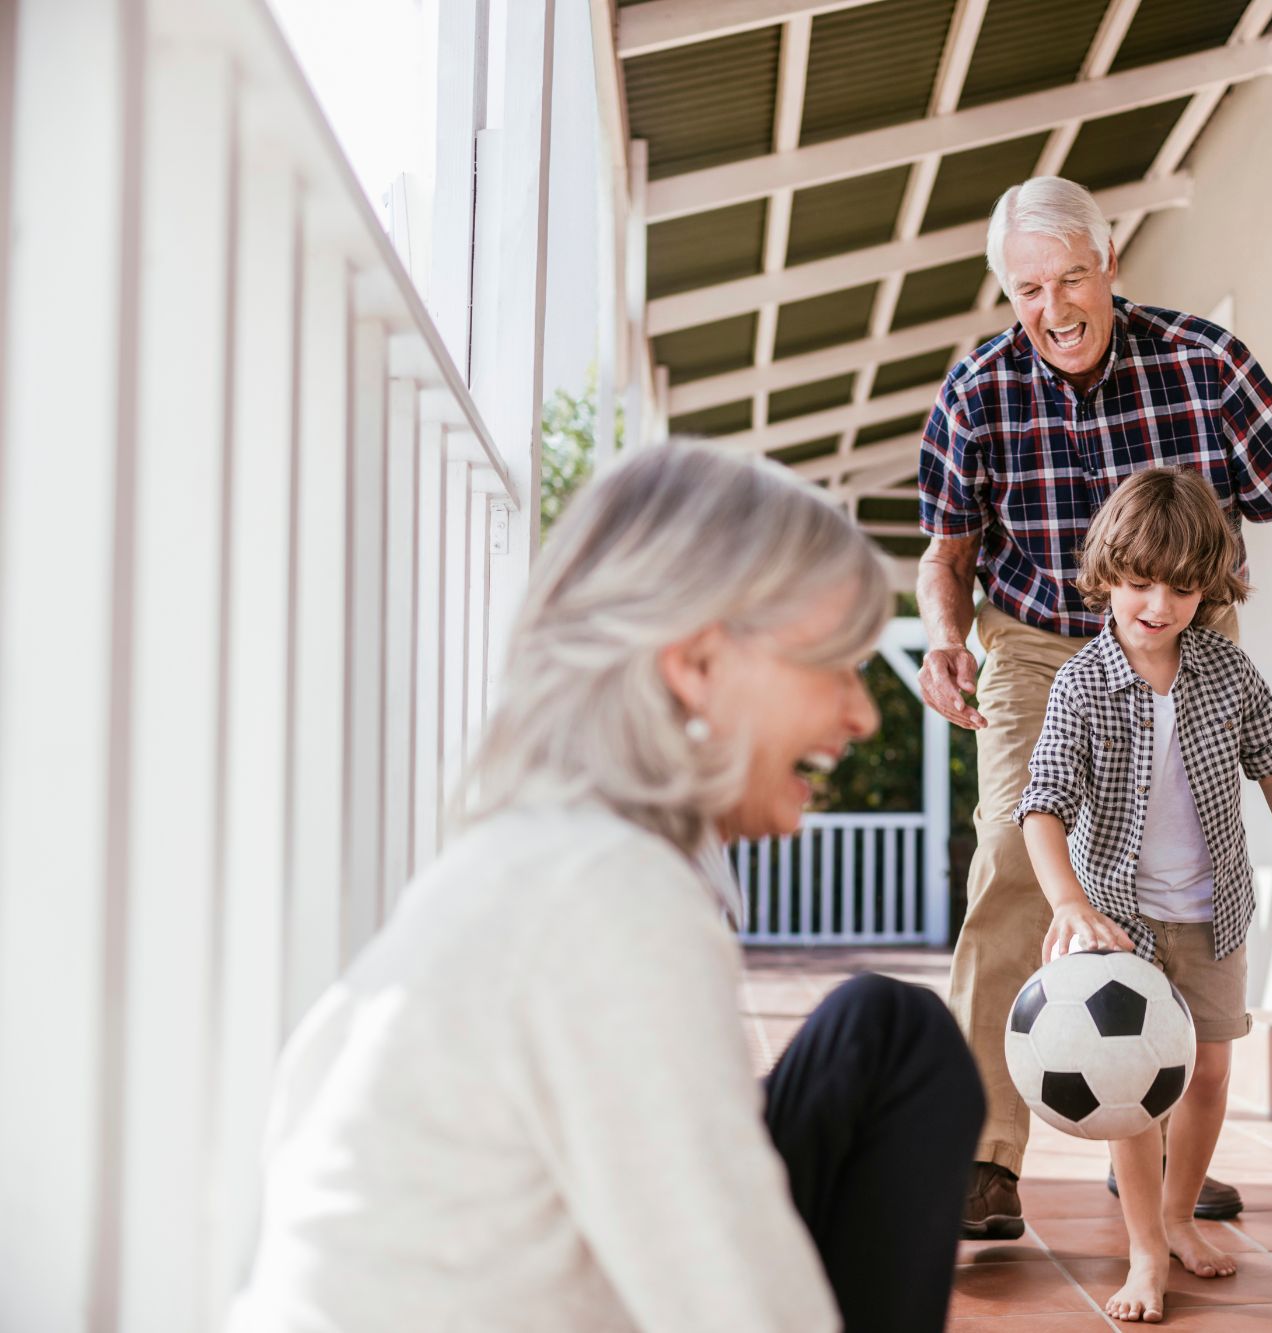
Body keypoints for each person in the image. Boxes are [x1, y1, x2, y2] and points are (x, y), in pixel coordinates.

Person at [229, 444, 983, 1333]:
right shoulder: (609, 899)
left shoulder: (532, 858)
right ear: (696, 664)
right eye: (833, 663)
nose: (860, 714)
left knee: (887, 1033)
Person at [917, 174, 1272, 1241]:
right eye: (1028, 288)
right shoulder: (976, 390)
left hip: (1187, 639)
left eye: (1072, 277)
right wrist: (946, 642)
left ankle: (1158, 1141)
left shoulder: (1202, 360)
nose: (1053, 308)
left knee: (1178, 865)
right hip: (1040, 639)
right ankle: (984, 1152)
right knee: (1012, 853)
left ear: (1112, 266)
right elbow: (945, 555)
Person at [1016, 468, 1272, 1323]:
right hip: (1120, 922)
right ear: (1108, 576)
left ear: (1210, 586)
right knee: (1128, 1082)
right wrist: (1068, 902)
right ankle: (1145, 1251)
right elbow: (1041, 805)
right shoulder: (1082, 684)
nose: (1159, 603)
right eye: (1140, 582)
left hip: (1214, 908)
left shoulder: (1228, 672)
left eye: (1183, 586)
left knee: (1209, 1073)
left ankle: (1177, 1213)